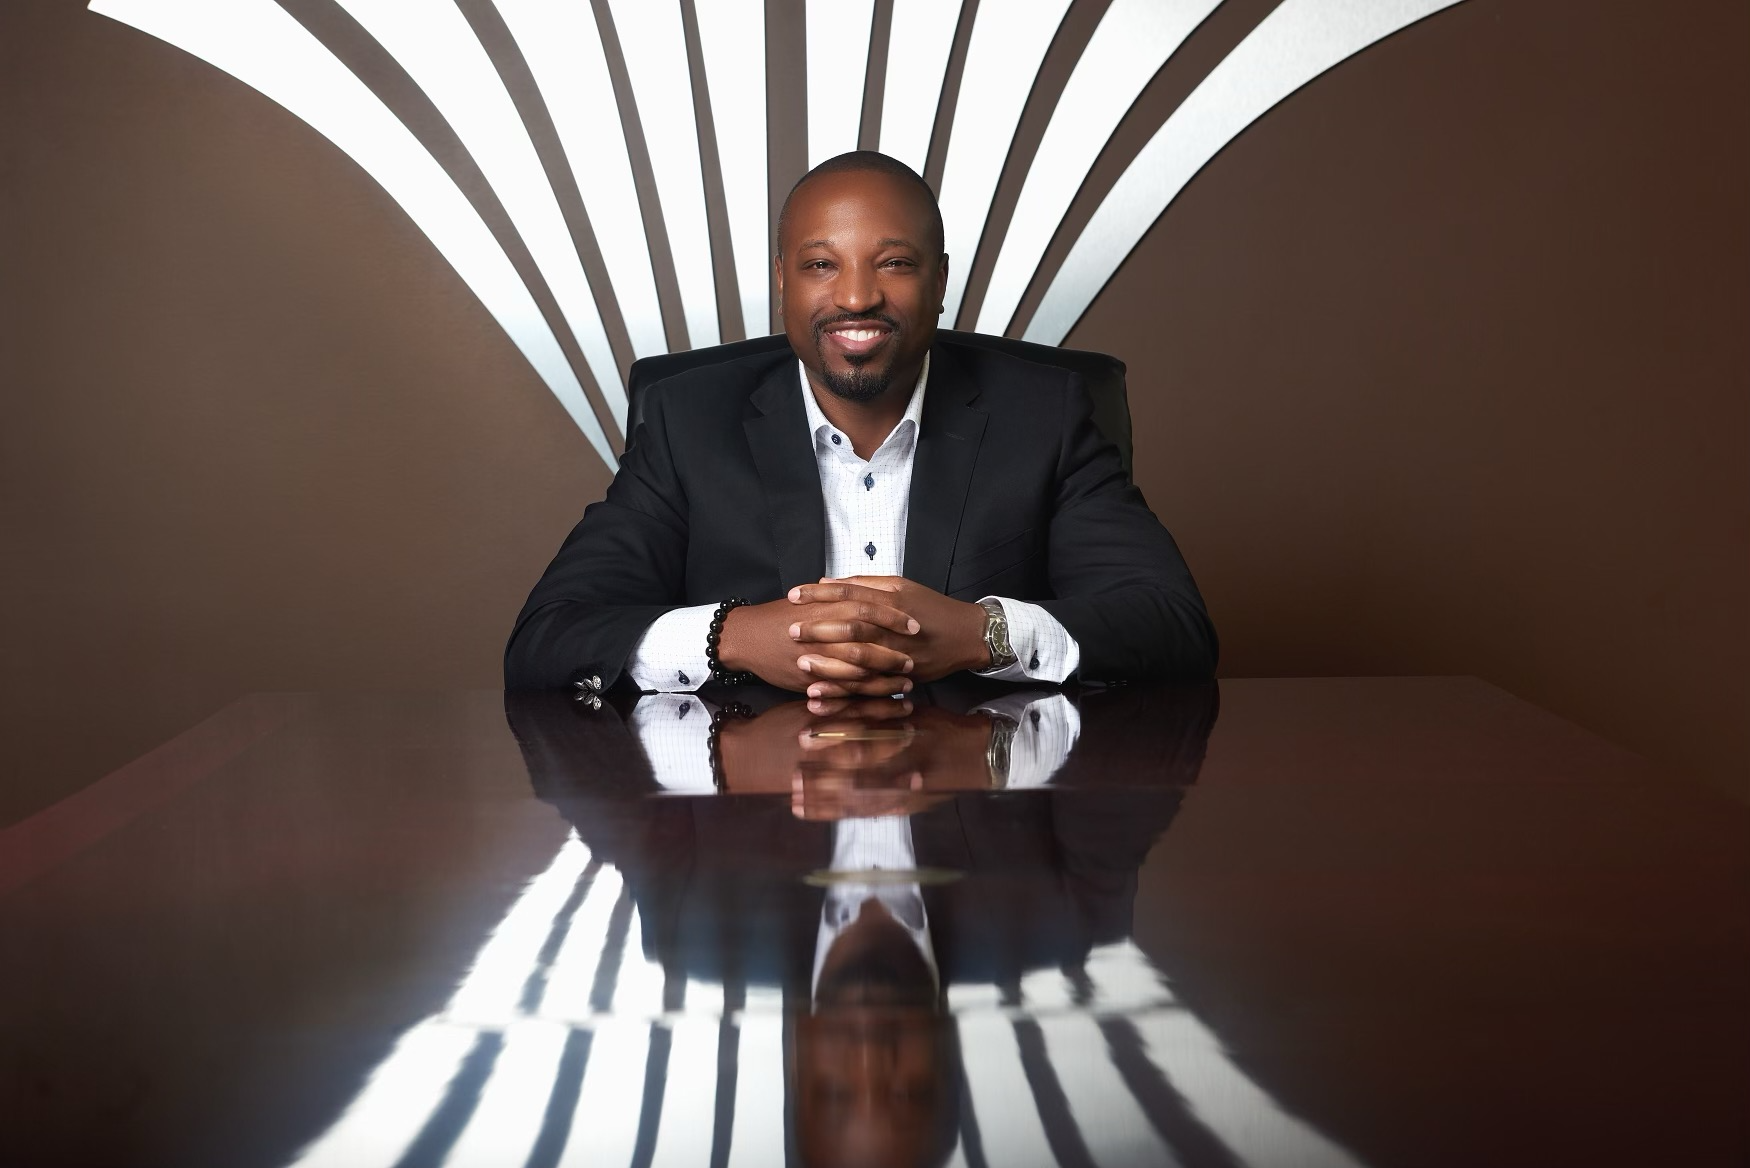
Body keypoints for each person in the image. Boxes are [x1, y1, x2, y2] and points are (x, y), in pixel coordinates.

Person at [505, 151, 1215, 701]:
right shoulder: (688, 419)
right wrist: (738, 635)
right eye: (821, 264)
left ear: (939, 282)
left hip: (981, 830)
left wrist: (980, 634)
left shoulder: (1046, 415)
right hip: (754, 827)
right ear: (783, 279)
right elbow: (550, 638)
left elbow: (1171, 626)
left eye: (894, 264)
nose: (855, 296)